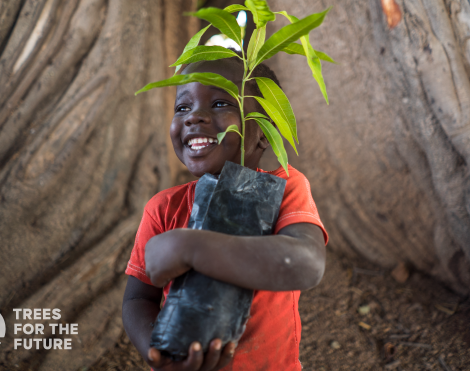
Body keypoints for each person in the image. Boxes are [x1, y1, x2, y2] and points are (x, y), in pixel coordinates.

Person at [122, 56, 328, 371]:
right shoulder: (164, 208)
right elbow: (138, 300)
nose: (194, 117)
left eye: (220, 103)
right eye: (182, 108)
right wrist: (158, 356)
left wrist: (190, 248)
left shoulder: (284, 187)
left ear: (264, 131)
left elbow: (307, 263)